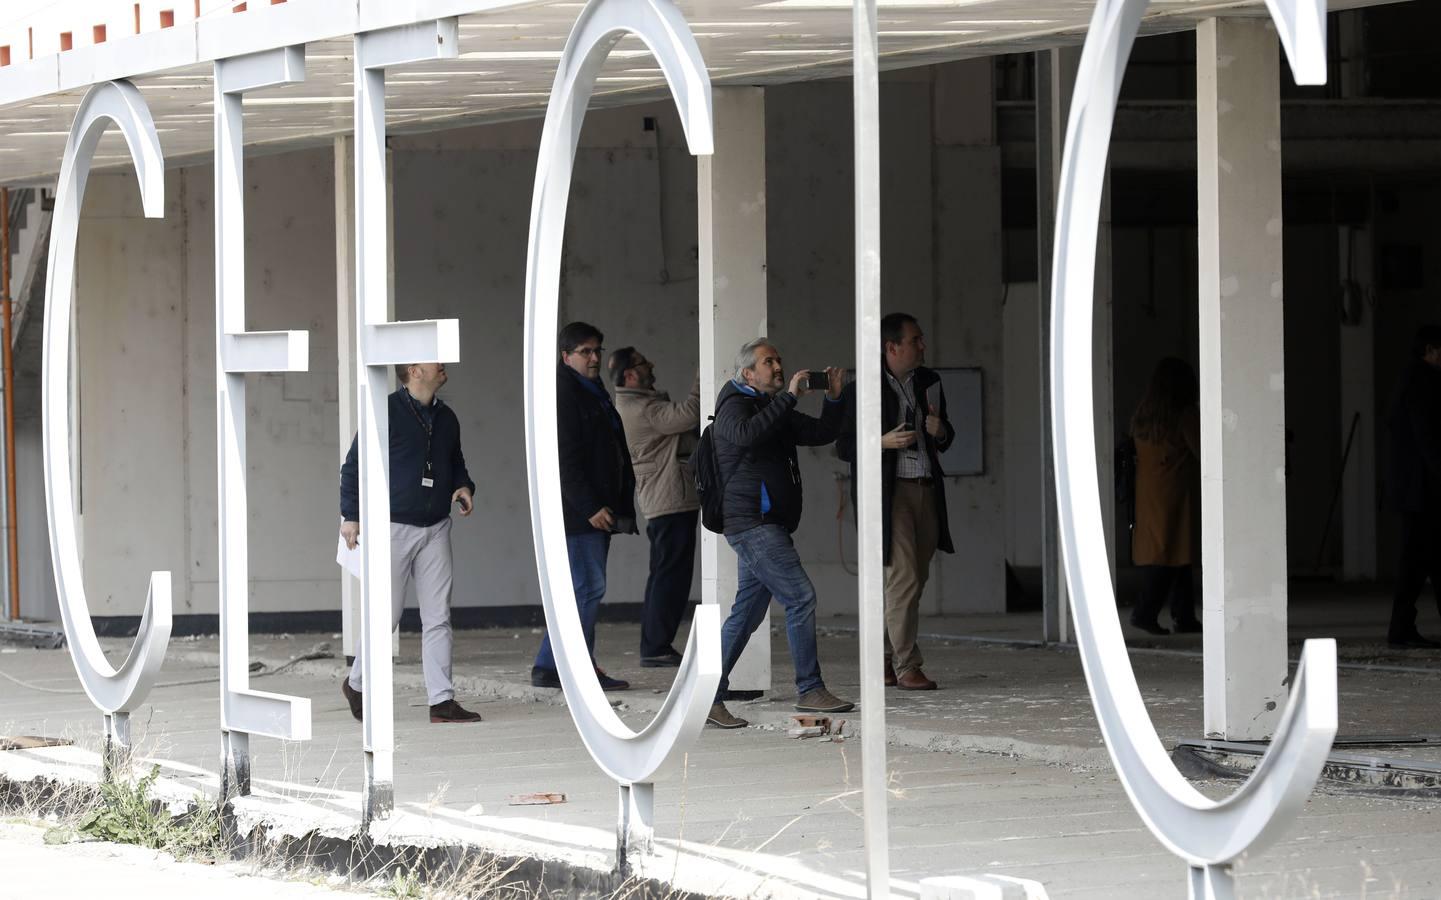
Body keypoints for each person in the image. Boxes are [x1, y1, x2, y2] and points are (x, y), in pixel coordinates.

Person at [706, 338, 852, 729]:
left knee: (746, 615)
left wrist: (835, 399)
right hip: (752, 523)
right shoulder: (732, 407)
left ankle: (707, 698)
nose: (777, 366)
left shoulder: (772, 407)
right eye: (768, 361)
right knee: (801, 596)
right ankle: (810, 687)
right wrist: (788, 398)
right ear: (747, 373)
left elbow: (821, 432)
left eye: (779, 360)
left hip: (766, 525)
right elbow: (748, 435)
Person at [338, 362, 482, 724]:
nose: (444, 364)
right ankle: (356, 684)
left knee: (438, 616)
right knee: (387, 616)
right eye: (436, 360)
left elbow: (455, 461)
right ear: (416, 371)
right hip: (393, 527)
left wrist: (463, 486)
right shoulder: (385, 410)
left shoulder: (447, 417)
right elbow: (353, 466)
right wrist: (351, 516)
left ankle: (442, 701)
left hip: (436, 527)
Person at [837, 312, 954, 690]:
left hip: (926, 487)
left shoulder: (930, 382)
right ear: (892, 347)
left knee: (916, 578)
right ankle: (907, 665)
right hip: (888, 494)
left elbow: (945, 435)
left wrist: (942, 432)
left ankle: (884, 658)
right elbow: (843, 446)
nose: (923, 345)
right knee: (902, 577)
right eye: (915, 339)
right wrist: (879, 442)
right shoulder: (862, 388)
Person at [531, 322, 636, 691]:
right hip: (578, 513)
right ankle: (574, 668)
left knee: (581, 589)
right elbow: (564, 460)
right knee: (586, 588)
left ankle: (550, 665)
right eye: (585, 352)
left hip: (593, 510)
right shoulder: (565, 393)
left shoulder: (591, 390)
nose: (594, 358)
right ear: (566, 356)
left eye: (597, 351)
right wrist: (591, 507)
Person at [610, 347, 701, 668]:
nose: (652, 363)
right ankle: (656, 647)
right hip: (669, 500)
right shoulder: (643, 409)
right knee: (670, 576)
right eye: (643, 362)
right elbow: (690, 412)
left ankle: (656, 644)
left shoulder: (636, 404)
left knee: (666, 573)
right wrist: (707, 367)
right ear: (630, 375)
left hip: (666, 498)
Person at [1128, 357, 1203, 636]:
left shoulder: (1144, 415)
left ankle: (1184, 616)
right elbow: (1201, 451)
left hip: (1149, 492)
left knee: (1173, 554)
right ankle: (1145, 612)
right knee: (1170, 554)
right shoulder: (1183, 416)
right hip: (1174, 493)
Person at [1386, 325, 1441, 649]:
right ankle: (1400, 629)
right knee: (1418, 561)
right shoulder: (1424, 383)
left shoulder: (1411, 380)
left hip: (1416, 490)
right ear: (1431, 350)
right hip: (1423, 492)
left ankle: (1401, 627)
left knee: (1424, 559)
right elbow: (1428, 439)